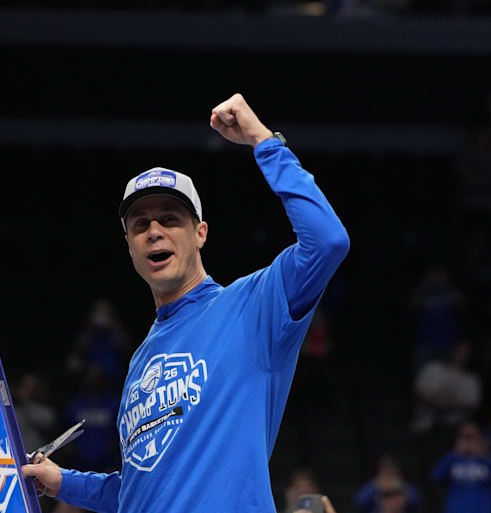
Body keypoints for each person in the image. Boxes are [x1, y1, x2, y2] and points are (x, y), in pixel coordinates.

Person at [22, 93, 349, 512]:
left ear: (200, 233)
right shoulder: (141, 358)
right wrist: (62, 481)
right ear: (130, 247)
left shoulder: (252, 307)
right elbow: (140, 492)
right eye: (141, 225)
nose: (154, 231)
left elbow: (328, 241)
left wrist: (262, 141)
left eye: (170, 219)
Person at [431, 421, 491, 513]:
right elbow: (436, 476)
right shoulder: (453, 458)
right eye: (465, 437)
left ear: (479, 438)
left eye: (472, 436)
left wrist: (483, 456)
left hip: (481, 509)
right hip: (455, 509)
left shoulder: (486, 458)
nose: (468, 441)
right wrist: (455, 454)